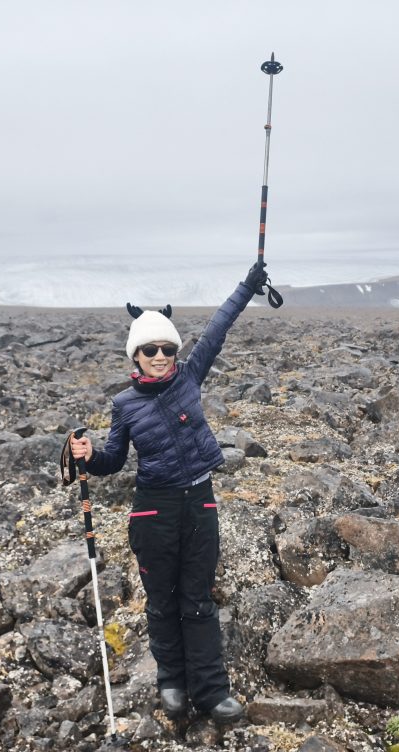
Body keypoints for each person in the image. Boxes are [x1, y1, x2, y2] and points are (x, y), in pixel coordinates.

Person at [68, 260, 271, 723]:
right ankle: (172, 684)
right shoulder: (124, 405)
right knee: (162, 601)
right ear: (134, 356)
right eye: (149, 350)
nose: (160, 356)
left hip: (199, 502)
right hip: (153, 511)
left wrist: (247, 285)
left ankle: (212, 690)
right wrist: (87, 455)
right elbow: (113, 462)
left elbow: (218, 327)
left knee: (197, 598)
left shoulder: (188, 378)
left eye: (166, 348)